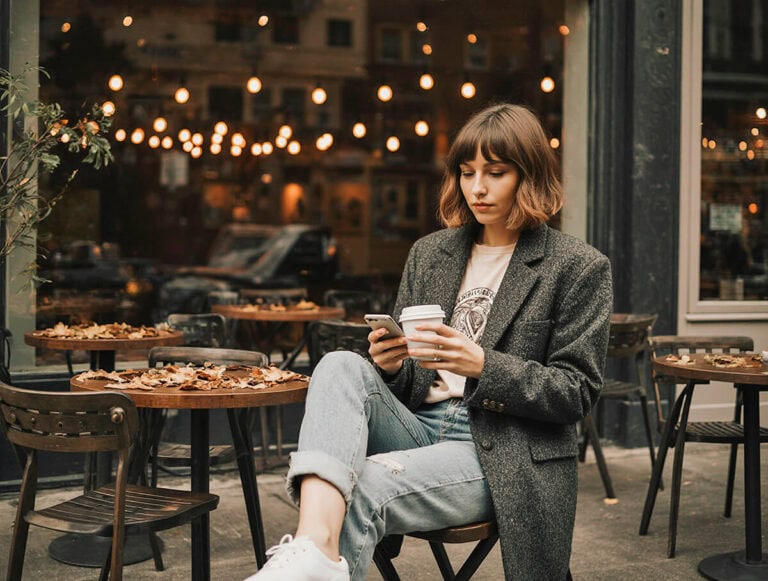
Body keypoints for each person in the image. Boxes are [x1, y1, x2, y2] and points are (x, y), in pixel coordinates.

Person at [247, 103, 613, 581]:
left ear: (530, 176)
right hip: (418, 429)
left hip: (500, 452)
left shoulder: (577, 266)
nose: (477, 187)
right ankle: (315, 550)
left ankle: (315, 561)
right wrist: (392, 367)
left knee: (363, 485)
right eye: (467, 172)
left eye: (495, 173)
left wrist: (484, 364)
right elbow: (408, 386)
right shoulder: (431, 253)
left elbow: (577, 392)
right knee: (339, 363)